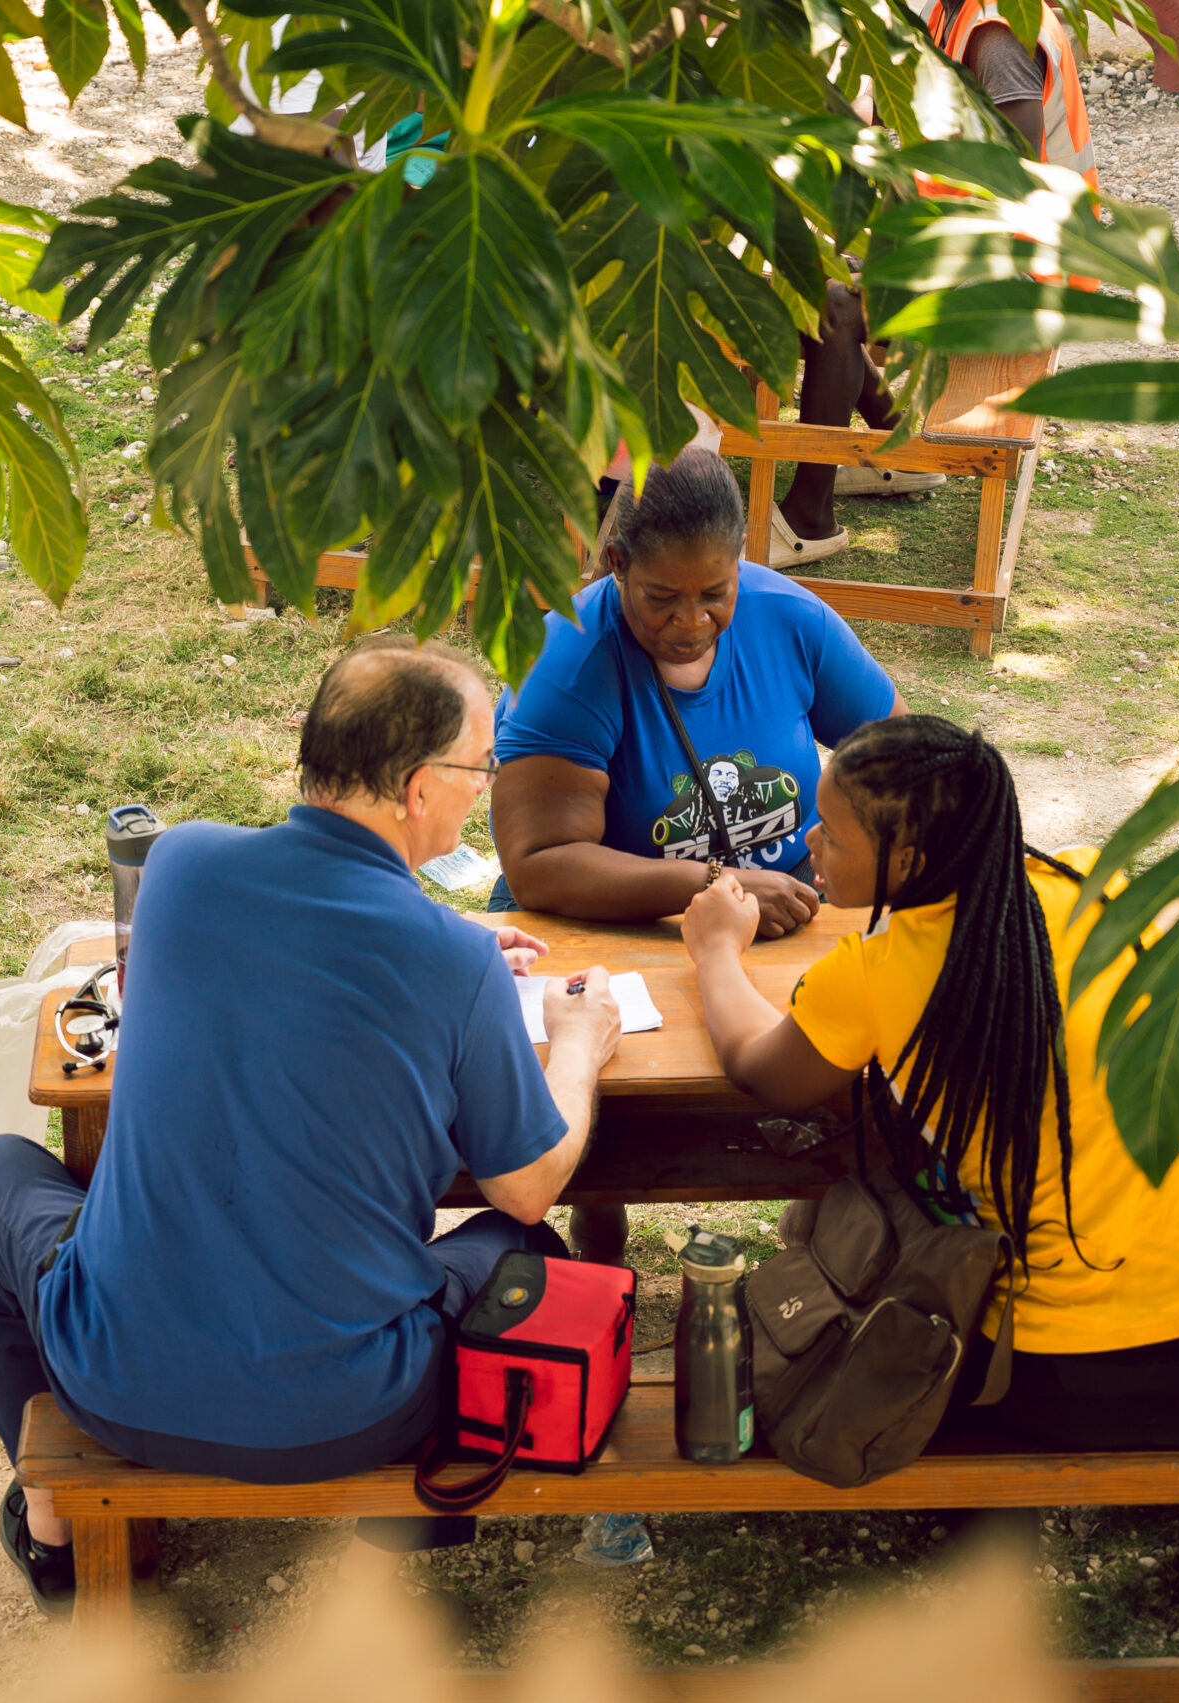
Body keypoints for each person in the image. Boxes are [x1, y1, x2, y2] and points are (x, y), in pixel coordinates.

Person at [0, 640, 624, 1616]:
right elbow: (525, 1183)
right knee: (521, 1245)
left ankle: (50, 1513)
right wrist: (575, 1043)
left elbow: (300, 942)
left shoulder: (177, 866)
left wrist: (459, 940)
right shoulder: (450, 965)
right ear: (420, 787)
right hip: (352, 1413)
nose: (482, 791)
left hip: (111, 1377)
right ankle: (410, 1531)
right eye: (480, 769)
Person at [681, 715, 1179, 1449]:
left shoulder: (872, 975)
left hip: (1046, 1382)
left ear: (908, 861)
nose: (812, 837)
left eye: (835, 834)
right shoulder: (1091, 886)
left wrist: (717, 949)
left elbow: (760, 1067)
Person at [489, 447, 901, 1266]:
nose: (690, 621)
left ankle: (816, 1230)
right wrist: (709, 881)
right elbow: (539, 861)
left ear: (741, 563)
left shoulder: (794, 621)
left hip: (784, 927)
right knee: (610, 1108)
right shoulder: (567, 661)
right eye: (661, 598)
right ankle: (596, 1233)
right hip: (612, 940)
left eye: (715, 593)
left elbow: (896, 759)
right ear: (616, 566)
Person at [770, 0, 1102, 563]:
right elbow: (882, 113)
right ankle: (892, 447)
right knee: (814, 274)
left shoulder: (994, 35)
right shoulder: (949, 14)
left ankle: (810, 518)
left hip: (1024, 272)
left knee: (836, 308)